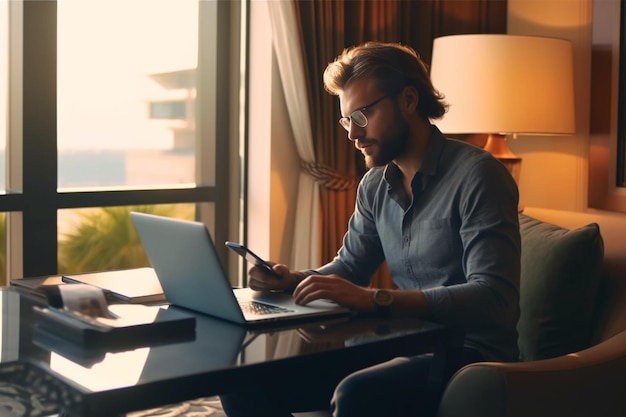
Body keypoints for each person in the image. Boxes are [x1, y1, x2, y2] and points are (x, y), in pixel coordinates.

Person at [220, 41, 520, 417]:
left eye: (361, 116)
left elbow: (497, 300)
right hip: (402, 342)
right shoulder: (375, 185)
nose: (352, 135)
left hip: (469, 356)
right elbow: (349, 267)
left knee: (358, 393)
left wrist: (376, 299)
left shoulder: (478, 175)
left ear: (409, 100)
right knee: (240, 380)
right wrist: (293, 279)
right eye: (347, 121)